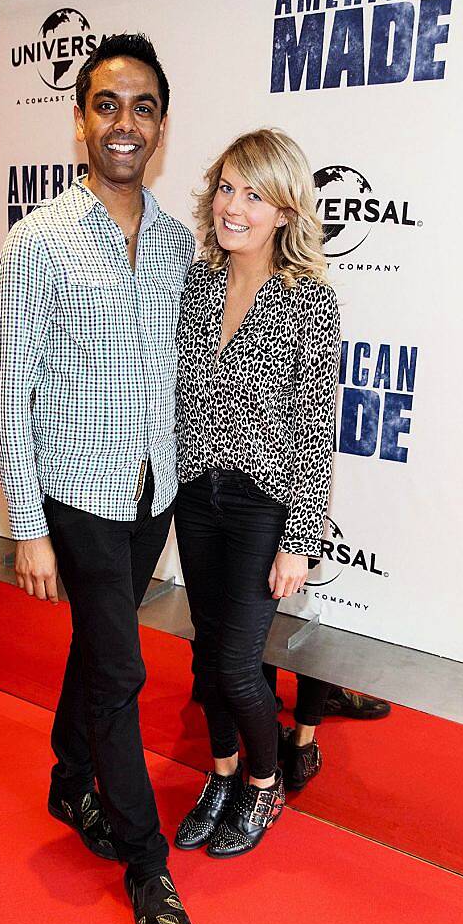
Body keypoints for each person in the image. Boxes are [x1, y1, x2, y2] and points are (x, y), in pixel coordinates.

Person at [0, 34, 198, 924]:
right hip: (76, 495)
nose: (125, 123)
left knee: (98, 650)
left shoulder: (180, 242)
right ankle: (148, 865)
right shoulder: (37, 240)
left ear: (159, 125)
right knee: (121, 670)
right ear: (80, 121)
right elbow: (9, 389)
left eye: (142, 107)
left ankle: (70, 777)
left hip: (153, 489)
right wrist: (28, 526)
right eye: (107, 105)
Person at [174, 128, 340, 856]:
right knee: (207, 658)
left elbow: (314, 430)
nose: (232, 206)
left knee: (240, 665)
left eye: (254, 194)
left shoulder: (310, 303)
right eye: (227, 187)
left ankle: (264, 785)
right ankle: (222, 771)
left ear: (284, 212)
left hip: (259, 508)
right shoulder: (198, 282)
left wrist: (300, 541)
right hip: (193, 497)